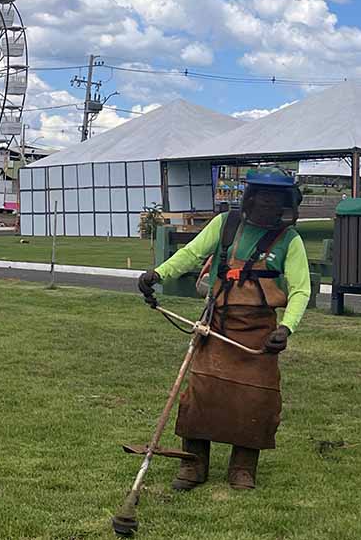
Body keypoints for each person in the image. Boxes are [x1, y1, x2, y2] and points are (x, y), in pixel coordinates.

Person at [137, 167, 310, 491]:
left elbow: (301, 289)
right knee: (202, 393)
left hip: (259, 333)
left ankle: (243, 468)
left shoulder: (290, 240)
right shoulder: (225, 225)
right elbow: (191, 254)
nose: (268, 206)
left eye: (276, 200)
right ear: (251, 198)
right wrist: (157, 275)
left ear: (286, 204)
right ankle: (193, 465)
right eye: (262, 198)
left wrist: (286, 328)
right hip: (216, 323)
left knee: (255, 399)